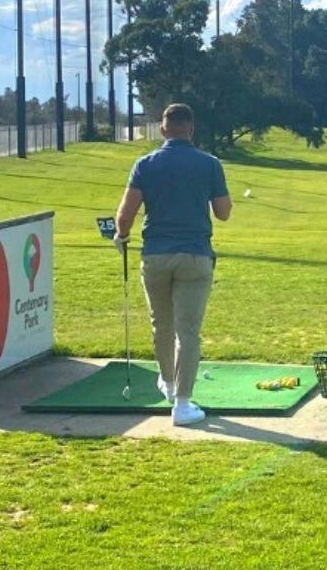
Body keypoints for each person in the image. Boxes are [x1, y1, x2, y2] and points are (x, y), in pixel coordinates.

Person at [113, 103, 231, 426]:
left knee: (161, 324)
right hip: (195, 256)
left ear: (163, 130)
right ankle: (181, 403)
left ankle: (166, 381)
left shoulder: (145, 164)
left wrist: (121, 236)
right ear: (191, 130)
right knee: (187, 331)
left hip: (155, 255)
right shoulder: (209, 164)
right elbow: (223, 212)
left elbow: (124, 216)